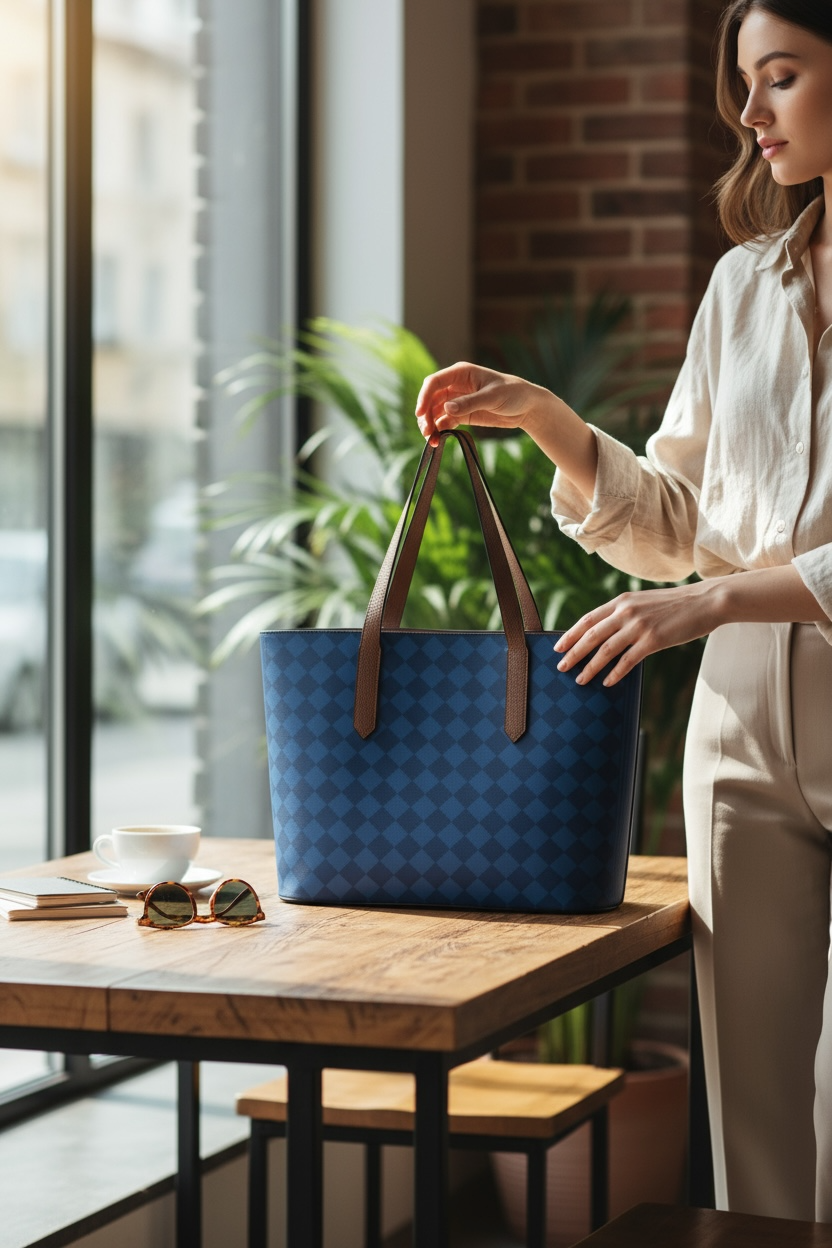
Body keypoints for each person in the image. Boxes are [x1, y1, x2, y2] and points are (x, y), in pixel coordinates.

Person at [415, 0, 832, 1223]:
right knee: (751, 1123)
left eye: (782, 77)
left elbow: (706, 582)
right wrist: (551, 419)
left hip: (763, 659)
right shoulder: (740, 289)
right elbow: (677, 526)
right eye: (744, 82)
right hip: (738, 739)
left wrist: (714, 601)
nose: (747, 114)